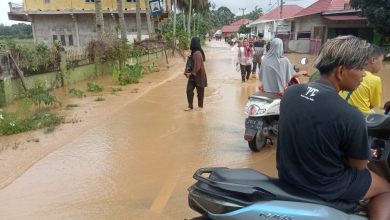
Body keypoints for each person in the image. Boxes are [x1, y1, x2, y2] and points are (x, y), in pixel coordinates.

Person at [276, 35, 390, 220]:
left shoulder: (291, 93)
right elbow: (359, 164)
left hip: (290, 178)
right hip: (325, 186)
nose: (363, 74)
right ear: (341, 71)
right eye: (360, 68)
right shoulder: (350, 114)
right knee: (386, 189)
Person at [339, 44, 384, 114]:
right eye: (381, 61)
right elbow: (374, 105)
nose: (381, 65)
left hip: (341, 110)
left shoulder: (348, 71)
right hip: (361, 116)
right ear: (373, 60)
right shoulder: (375, 80)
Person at [184, 37, 207, 111]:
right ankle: (190, 106)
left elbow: (197, 67)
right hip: (193, 75)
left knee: (200, 92)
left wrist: (190, 74)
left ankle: (200, 107)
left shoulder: (197, 53)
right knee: (189, 90)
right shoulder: (194, 52)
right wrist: (187, 71)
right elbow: (191, 63)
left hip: (199, 75)